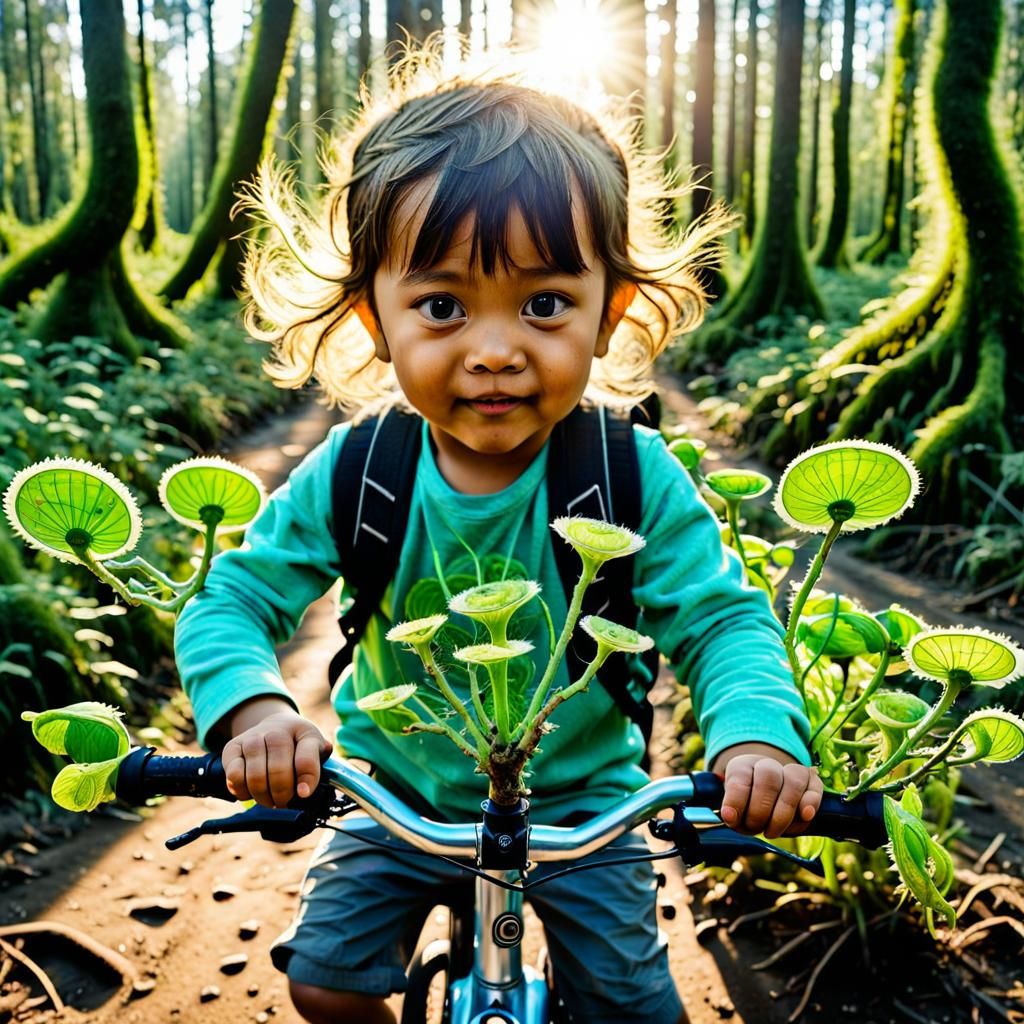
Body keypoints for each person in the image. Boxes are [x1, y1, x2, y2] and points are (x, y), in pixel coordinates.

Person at [174, 46, 823, 1024]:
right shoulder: (359, 471)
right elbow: (232, 597)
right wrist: (255, 711)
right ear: (373, 319)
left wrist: (753, 737)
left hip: (589, 806)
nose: (492, 348)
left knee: (635, 1009)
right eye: (440, 305)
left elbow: (722, 620)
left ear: (610, 314)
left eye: (544, 303)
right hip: (392, 790)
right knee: (325, 983)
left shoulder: (628, 474)